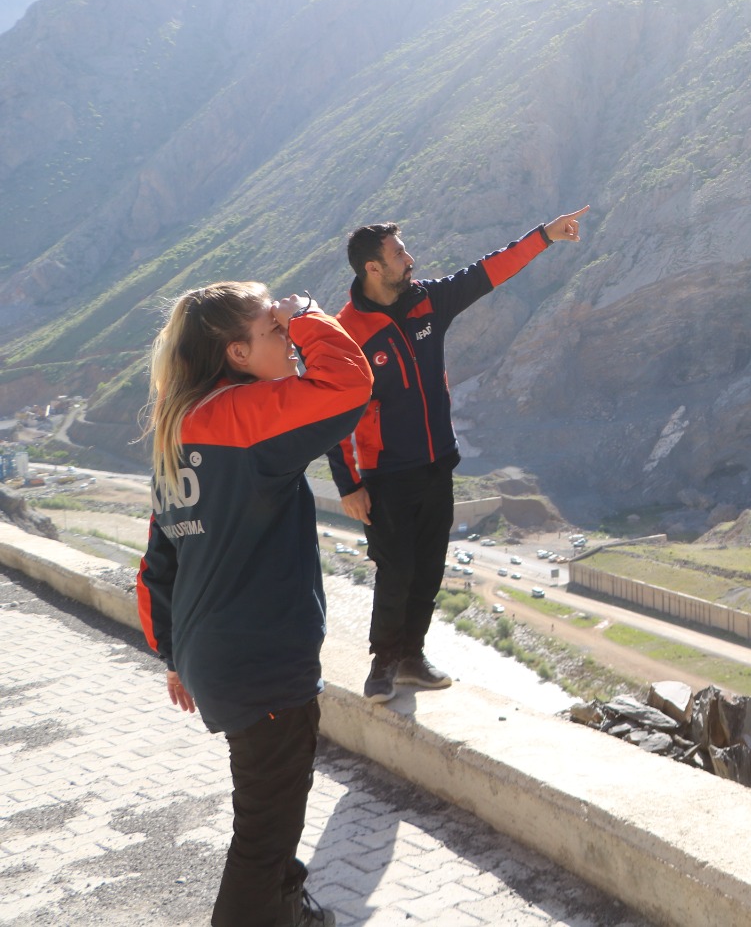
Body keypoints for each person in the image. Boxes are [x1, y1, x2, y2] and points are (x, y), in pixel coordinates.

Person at [136, 282, 374, 927]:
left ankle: (289, 910)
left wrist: (174, 656)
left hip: (217, 654)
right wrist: (311, 314)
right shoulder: (241, 415)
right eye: (276, 331)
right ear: (238, 353)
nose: (290, 339)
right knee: (263, 830)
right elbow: (349, 386)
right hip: (259, 657)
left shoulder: (180, 429)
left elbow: (159, 566)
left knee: (277, 805)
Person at [327, 207, 585, 702]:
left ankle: (412, 658)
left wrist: (545, 237)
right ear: (372, 270)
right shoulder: (347, 333)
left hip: (437, 462)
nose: (411, 258)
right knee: (395, 570)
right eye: (399, 253)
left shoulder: (428, 301)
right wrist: (349, 484)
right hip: (385, 475)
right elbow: (335, 415)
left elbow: (488, 271)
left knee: (428, 567)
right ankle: (382, 664)